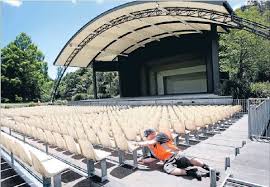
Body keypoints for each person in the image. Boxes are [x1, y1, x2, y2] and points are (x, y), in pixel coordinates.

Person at [134, 128, 219, 181]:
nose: (146, 138)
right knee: (168, 169)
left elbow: (151, 141)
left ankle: (207, 167)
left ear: (152, 134)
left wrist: (137, 144)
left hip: (176, 155)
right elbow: (153, 158)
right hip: (168, 161)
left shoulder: (160, 135)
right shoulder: (152, 147)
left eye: (146, 136)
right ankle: (191, 172)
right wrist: (142, 161)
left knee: (190, 159)